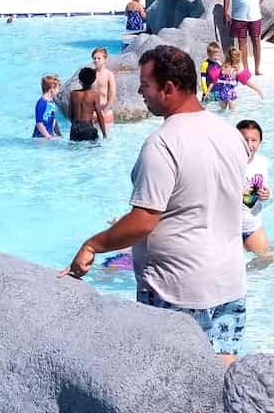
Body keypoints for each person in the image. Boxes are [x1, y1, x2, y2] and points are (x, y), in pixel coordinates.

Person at [59, 46, 250, 363]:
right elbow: (203, 199)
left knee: (170, 390)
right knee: (220, 384)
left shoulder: (162, 145)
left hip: (176, 289)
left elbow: (144, 221)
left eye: (145, 85)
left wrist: (92, 245)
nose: (139, 91)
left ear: (169, 89)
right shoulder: (231, 136)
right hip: (229, 283)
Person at [223, 0, 274, 74]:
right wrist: (225, 13)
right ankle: (246, 69)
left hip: (255, 16)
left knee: (256, 40)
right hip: (239, 17)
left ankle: (257, 68)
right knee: (242, 42)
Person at [237, 119, 273, 258]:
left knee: (266, 261)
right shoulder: (226, 163)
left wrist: (268, 194)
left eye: (254, 140)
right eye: (245, 140)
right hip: (227, 229)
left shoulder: (262, 162)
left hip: (252, 226)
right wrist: (237, 194)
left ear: (260, 142)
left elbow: (265, 186)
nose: (249, 145)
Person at [67, 67, 108, 142]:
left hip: (75, 128)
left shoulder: (73, 94)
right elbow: (99, 115)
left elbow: (70, 114)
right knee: (92, 151)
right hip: (88, 128)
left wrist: (75, 125)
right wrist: (104, 134)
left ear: (80, 80)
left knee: (75, 151)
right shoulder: (94, 95)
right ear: (93, 80)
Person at [90, 47, 117, 130]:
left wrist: (103, 112)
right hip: (92, 112)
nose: (96, 60)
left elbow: (112, 96)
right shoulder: (91, 74)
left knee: (106, 140)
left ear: (105, 59)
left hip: (105, 110)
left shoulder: (109, 75)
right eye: (94, 58)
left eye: (99, 58)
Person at [33, 74, 62, 139]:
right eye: (58, 88)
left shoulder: (51, 102)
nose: (59, 90)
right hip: (40, 136)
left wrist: (54, 134)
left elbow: (53, 119)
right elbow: (39, 123)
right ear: (52, 89)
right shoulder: (41, 103)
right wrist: (48, 136)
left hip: (49, 134)